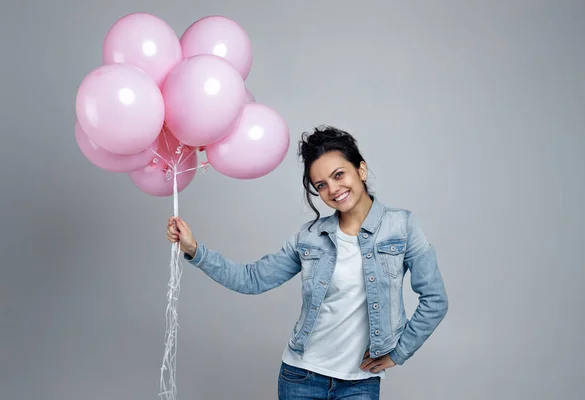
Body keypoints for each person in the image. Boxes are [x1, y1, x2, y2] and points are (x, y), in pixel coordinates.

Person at [166, 126, 448, 399]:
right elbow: (251, 279)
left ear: (360, 170)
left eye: (339, 175)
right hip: (301, 377)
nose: (334, 189)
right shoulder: (310, 237)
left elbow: (435, 299)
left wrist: (399, 353)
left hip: (360, 383)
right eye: (321, 185)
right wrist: (194, 250)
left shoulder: (402, 226)